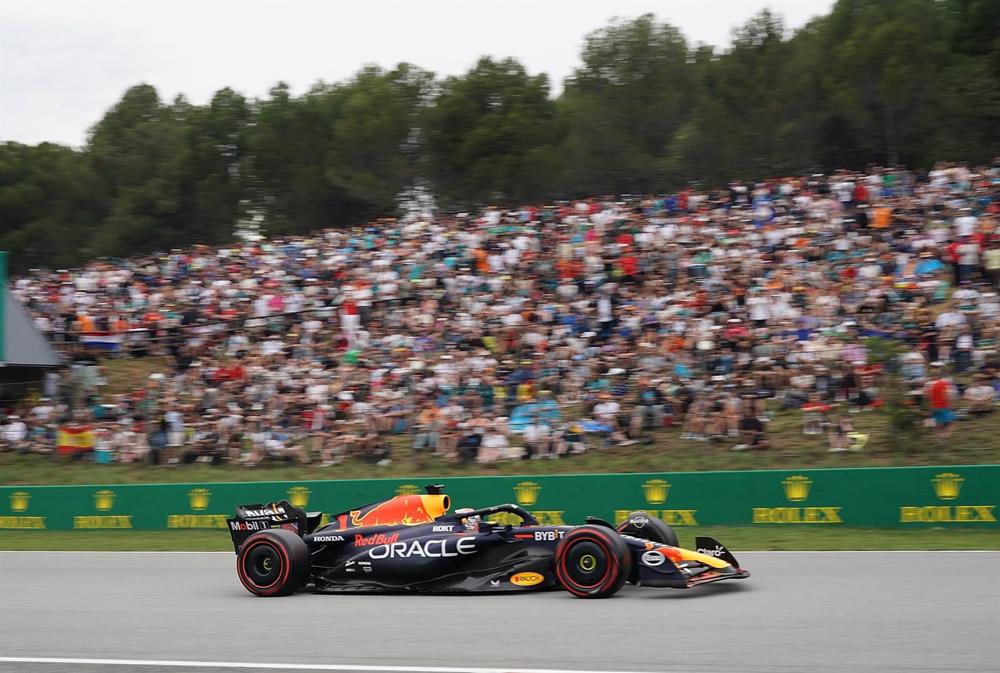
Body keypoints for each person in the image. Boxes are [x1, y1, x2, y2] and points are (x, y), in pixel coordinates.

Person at [924, 364, 957, 439]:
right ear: (940, 375)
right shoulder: (942, 383)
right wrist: (950, 405)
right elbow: (946, 395)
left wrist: (928, 406)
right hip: (943, 406)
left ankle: (935, 437)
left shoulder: (927, 384)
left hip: (932, 407)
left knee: (935, 422)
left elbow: (926, 396)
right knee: (951, 422)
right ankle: (944, 437)